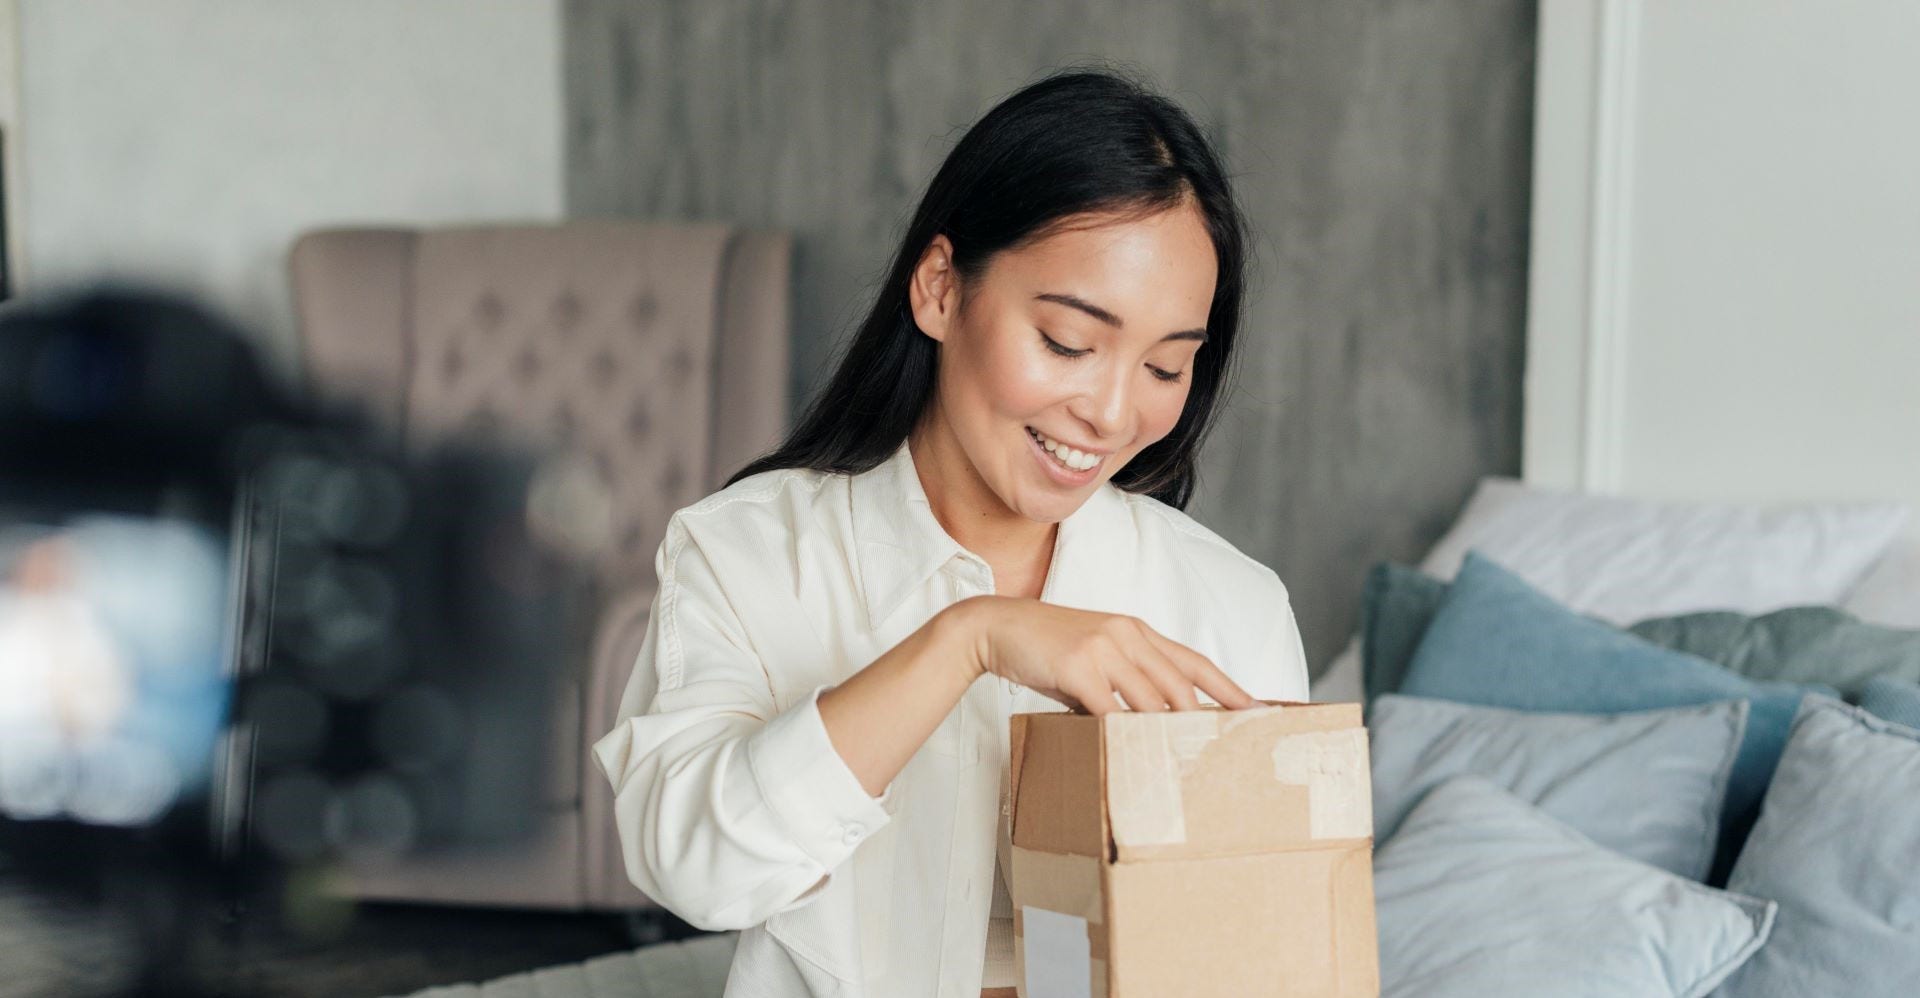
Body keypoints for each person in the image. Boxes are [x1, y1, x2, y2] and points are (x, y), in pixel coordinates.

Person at [591, 68, 1311, 998]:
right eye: (1068, 343)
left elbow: (1262, 951)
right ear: (939, 289)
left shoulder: (1230, 607)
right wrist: (969, 639)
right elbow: (698, 872)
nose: (1110, 412)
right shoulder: (751, 552)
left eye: (1166, 367)